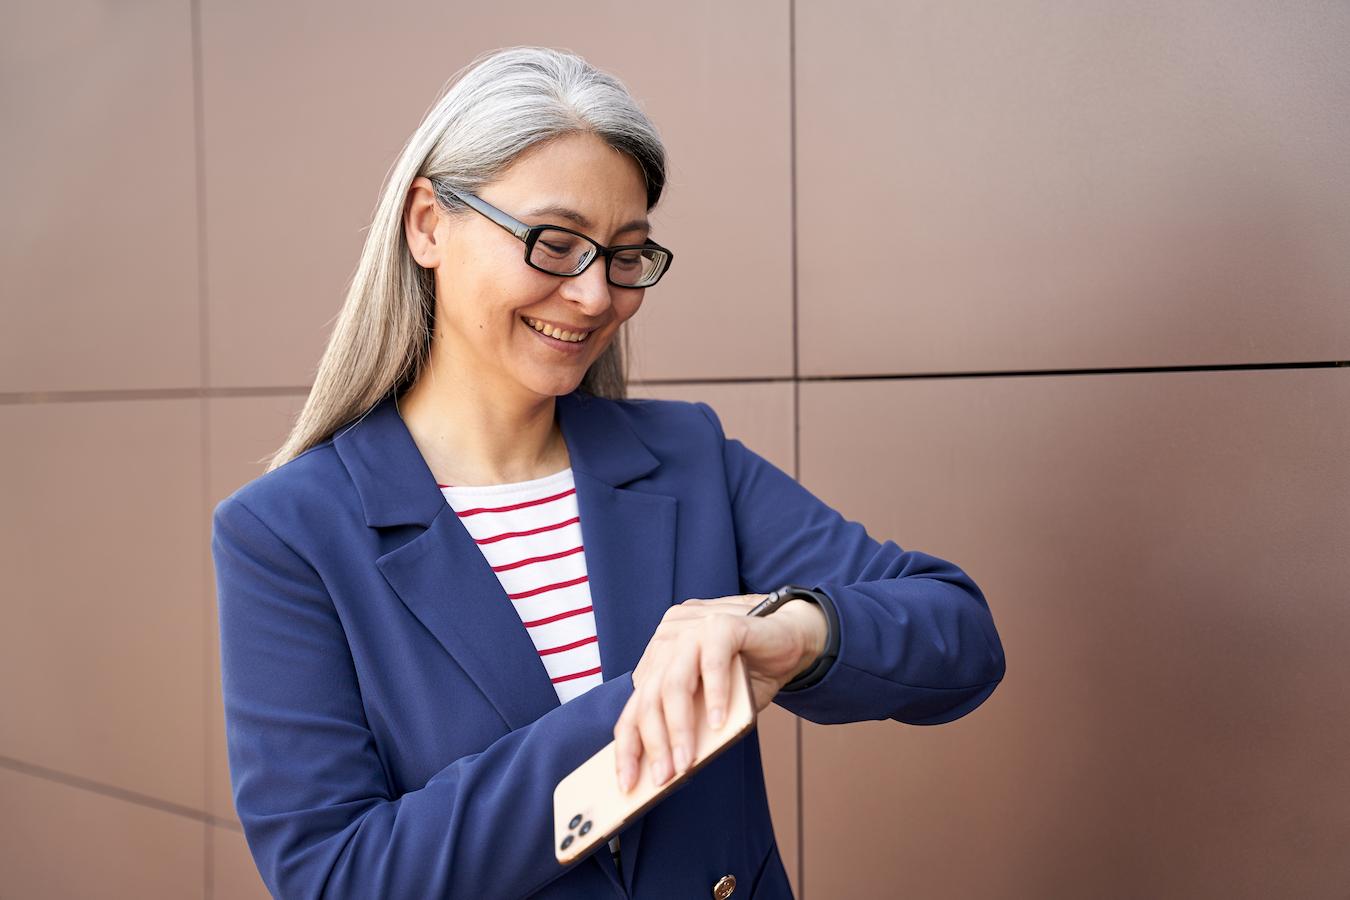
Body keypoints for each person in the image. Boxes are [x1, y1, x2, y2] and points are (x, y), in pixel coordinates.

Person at [210, 46, 1006, 899]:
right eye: (554, 245)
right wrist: (642, 710)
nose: (596, 298)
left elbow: (957, 632)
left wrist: (793, 634)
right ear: (428, 224)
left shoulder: (684, 459)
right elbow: (339, 877)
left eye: (625, 256)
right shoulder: (288, 534)